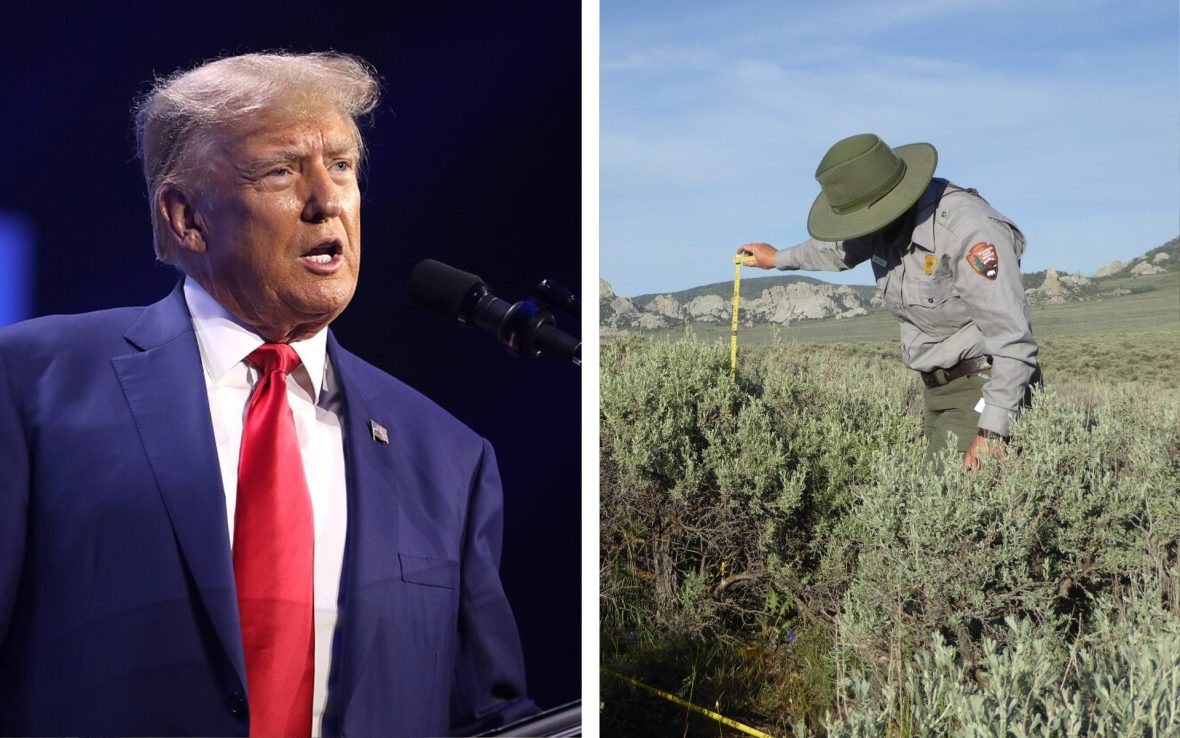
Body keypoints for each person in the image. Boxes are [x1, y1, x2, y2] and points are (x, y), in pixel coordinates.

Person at [0, 52, 535, 737]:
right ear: (187, 215)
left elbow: (485, 713)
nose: (327, 201)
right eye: (282, 170)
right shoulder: (34, 385)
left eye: (341, 166)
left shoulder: (448, 457)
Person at [739, 133, 1040, 470]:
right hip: (937, 390)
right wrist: (776, 258)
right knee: (926, 503)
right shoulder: (883, 219)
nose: (859, 230)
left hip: (985, 387)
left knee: (945, 510)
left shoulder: (968, 230)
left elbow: (1013, 338)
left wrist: (993, 430)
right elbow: (835, 249)